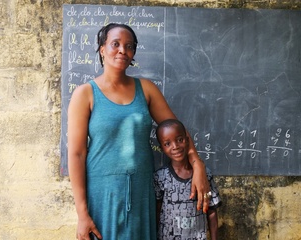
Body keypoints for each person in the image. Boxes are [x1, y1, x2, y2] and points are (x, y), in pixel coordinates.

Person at [67, 23, 210, 240]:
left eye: (129, 46)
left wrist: (197, 164)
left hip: (142, 191)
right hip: (102, 194)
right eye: (115, 44)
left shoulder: (147, 89)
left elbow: (178, 132)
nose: (123, 50)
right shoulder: (85, 94)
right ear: (102, 48)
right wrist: (82, 213)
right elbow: (76, 154)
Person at [154, 119, 222, 240]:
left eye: (180, 140)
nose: (175, 147)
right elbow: (157, 212)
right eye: (167, 144)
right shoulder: (160, 177)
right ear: (161, 148)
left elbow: (211, 210)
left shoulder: (204, 175)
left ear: (187, 140)